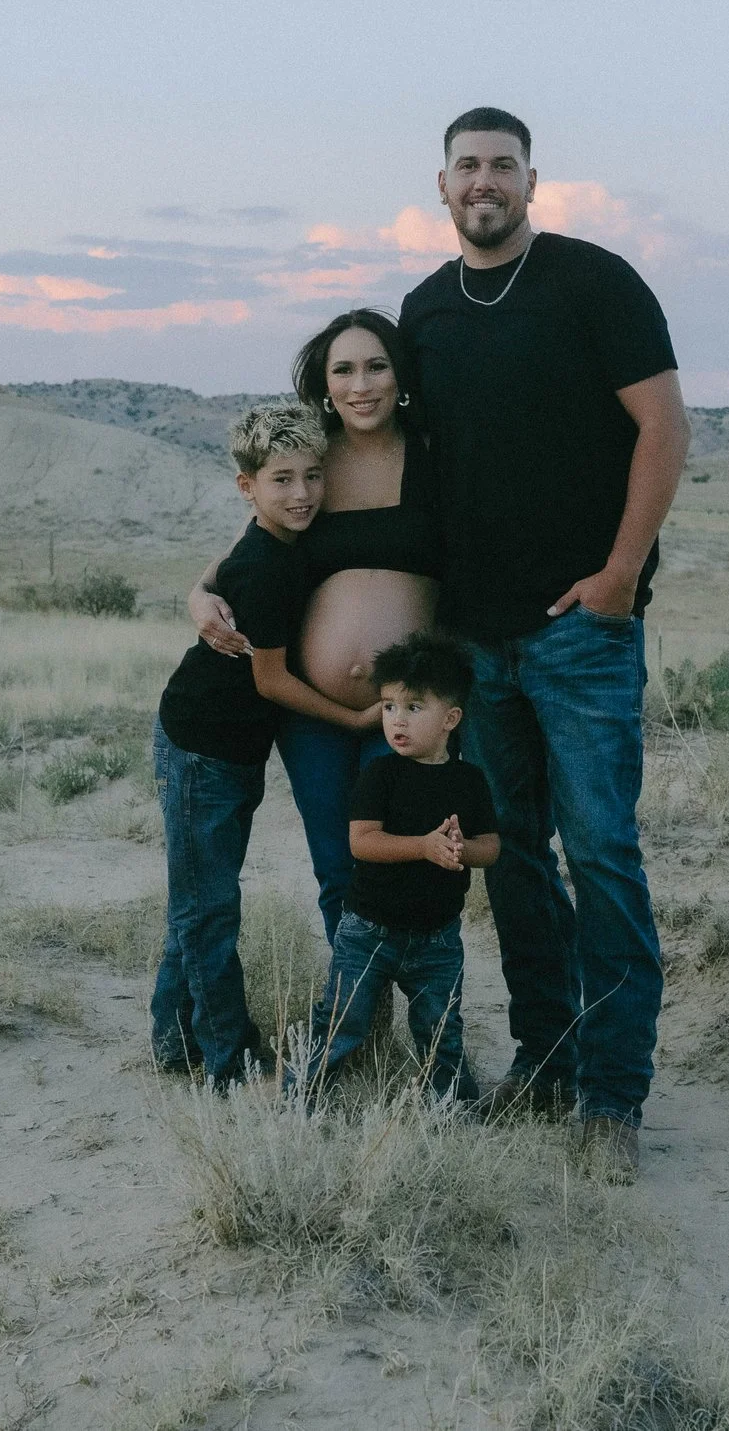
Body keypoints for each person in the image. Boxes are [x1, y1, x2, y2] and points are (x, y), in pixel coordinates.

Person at [397, 106, 691, 1171]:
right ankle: (548, 1056)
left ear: (533, 182)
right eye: (466, 167)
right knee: (512, 857)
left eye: (503, 167)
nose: (485, 182)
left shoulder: (593, 282)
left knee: (603, 854)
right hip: (475, 640)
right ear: (441, 187)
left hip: (578, 633)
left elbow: (664, 426)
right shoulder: (422, 311)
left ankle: (613, 1097)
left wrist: (619, 576)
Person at [188, 311, 443, 941]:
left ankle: (428, 1023)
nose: (362, 384)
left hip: (405, 708)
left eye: (376, 365)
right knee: (338, 867)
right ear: (323, 384)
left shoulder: (436, 453)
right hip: (312, 716)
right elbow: (245, 553)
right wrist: (198, 596)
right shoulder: (310, 463)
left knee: (412, 862)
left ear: (399, 374)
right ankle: (357, 1025)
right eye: (344, 370)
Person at [150, 402, 378, 1087]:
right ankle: (232, 1058)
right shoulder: (266, 565)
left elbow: (215, 573)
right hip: (201, 750)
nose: (302, 493)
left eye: (313, 475)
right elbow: (273, 681)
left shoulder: (278, 542)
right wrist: (356, 718)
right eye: (282, 479)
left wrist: (198, 589)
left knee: (196, 897)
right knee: (208, 907)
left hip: (236, 752)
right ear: (248, 486)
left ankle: (172, 1039)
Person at [300, 632, 498, 1100]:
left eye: (413, 707)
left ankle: (453, 1110)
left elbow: (491, 847)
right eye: (388, 707)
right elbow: (362, 843)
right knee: (343, 1020)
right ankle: (300, 1095)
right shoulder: (381, 774)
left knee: (442, 1029)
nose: (396, 721)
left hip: (438, 939)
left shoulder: (469, 781)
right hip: (369, 929)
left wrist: (458, 849)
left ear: (451, 718)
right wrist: (423, 847)